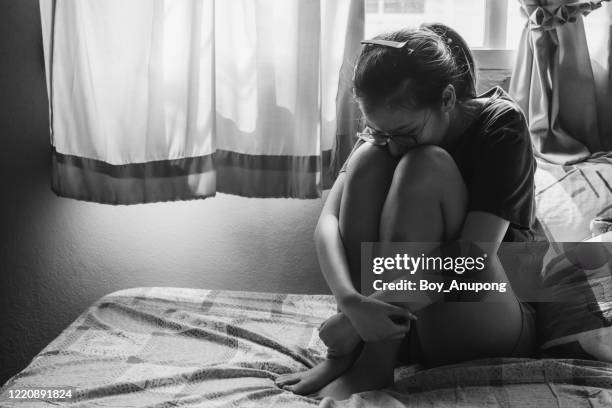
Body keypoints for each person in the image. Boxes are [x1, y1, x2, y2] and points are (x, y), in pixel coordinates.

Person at [275, 23, 547, 401]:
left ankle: (374, 362)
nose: (396, 146)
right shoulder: (389, 132)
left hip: (487, 316)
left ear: (448, 98)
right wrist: (352, 304)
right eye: (382, 131)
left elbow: (473, 257)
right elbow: (329, 222)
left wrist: (356, 324)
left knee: (424, 165)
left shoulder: (502, 125)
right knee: (369, 160)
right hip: (408, 324)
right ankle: (353, 355)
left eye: (404, 133)